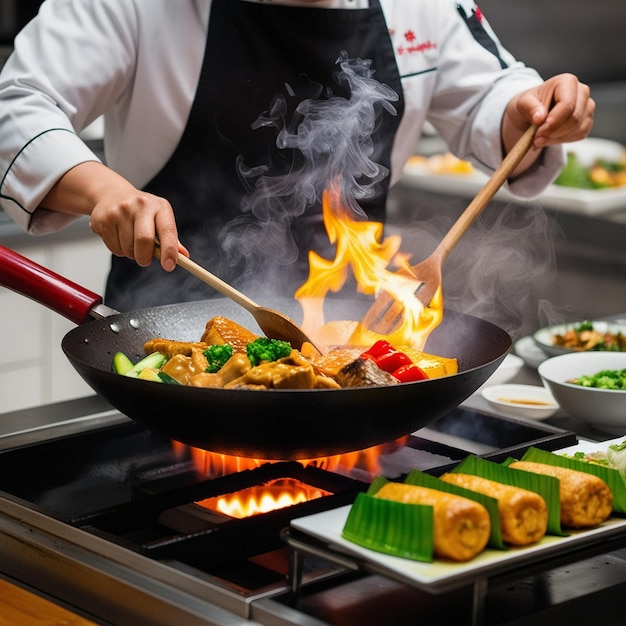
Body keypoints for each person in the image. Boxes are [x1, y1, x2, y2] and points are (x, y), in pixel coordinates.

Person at [0, 0, 594, 312]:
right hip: (167, 334)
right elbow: (18, 103)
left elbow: (497, 100)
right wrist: (104, 190)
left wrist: (525, 115)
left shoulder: (422, 4)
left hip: (354, 344)